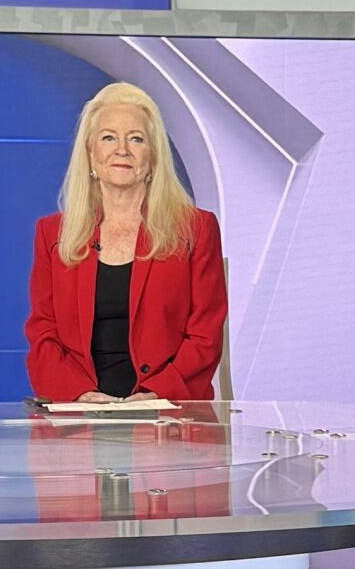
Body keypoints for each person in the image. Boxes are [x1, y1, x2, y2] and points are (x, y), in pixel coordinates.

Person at [25, 83, 227, 404]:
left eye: (136, 139)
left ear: (153, 156)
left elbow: (205, 336)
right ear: (91, 154)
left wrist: (155, 394)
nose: (122, 149)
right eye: (108, 137)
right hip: (80, 415)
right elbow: (43, 334)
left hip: (167, 413)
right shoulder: (53, 234)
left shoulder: (196, 229)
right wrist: (78, 395)